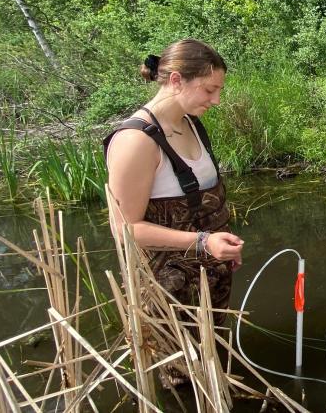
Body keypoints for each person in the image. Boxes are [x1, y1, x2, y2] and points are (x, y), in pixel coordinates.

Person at [104, 39, 244, 383]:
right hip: (167, 286)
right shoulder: (135, 142)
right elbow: (125, 229)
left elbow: (205, 202)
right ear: (177, 80)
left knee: (211, 358)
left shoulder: (192, 123)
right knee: (180, 373)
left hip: (209, 272)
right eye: (209, 89)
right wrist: (203, 243)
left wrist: (220, 248)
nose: (216, 100)